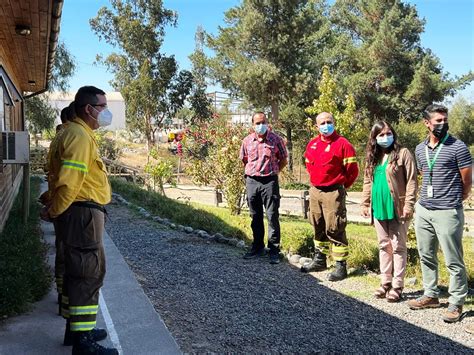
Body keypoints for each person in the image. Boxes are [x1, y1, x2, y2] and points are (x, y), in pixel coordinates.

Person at [41, 86, 118, 354]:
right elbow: (70, 182)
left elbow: (58, 177)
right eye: (103, 107)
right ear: (89, 109)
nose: (106, 112)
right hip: (82, 213)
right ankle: (82, 343)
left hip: (79, 212)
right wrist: (55, 209)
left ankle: (77, 330)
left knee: (76, 271)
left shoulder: (76, 133)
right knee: (88, 273)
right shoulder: (79, 136)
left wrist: (54, 206)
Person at [407, 104, 472, 323]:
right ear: (427, 123)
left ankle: (456, 302)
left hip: (448, 211)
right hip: (424, 209)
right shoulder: (419, 149)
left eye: (445, 119)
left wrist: (453, 200)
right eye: (438, 121)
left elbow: (467, 182)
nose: (443, 123)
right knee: (426, 254)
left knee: (453, 259)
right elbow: (425, 175)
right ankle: (431, 294)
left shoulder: (458, 147)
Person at [361, 121, 417, 302]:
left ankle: (397, 285)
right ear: (375, 138)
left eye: (388, 133)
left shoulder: (403, 154)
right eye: (381, 135)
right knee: (384, 245)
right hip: (378, 208)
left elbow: (412, 181)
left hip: (397, 208)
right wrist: (365, 203)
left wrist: (409, 205)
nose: (385, 138)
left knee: (398, 246)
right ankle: (385, 282)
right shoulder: (373, 157)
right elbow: (367, 182)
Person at [300, 112, 359, 281]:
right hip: (315, 190)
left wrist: (342, 186)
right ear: (316, 126)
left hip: (333, 191)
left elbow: (352, 171)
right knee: (317, 224)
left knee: (335, 227)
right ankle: (320, 260)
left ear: (334, 122)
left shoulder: (343, 144)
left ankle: (341, 266)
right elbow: (308, 165)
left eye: (329, 121)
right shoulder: (312, 144)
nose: (326, 125)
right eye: (322, 123)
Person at [39, 103, 76, 315]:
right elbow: (70, 180)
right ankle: (67, 306)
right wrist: (56, 208)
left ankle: (63, 297)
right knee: (70, 258)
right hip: (69, 207)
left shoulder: (58, 139)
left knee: (62, 253)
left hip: (59, 202)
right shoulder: (72, 139)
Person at [240, 112, 288, 264]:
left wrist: (274, 171)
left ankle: (274, 250)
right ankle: (257, 247)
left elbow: (284, 159)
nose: (260, 125)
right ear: (253, 125)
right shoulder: (247, 141)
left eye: (263, 122)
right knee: (255, 216)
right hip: (252, 181)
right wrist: (254, 174)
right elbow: (244, 160)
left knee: (272, 216)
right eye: (257, 123)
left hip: (270, 182)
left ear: (267, 122)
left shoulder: (276, 139)